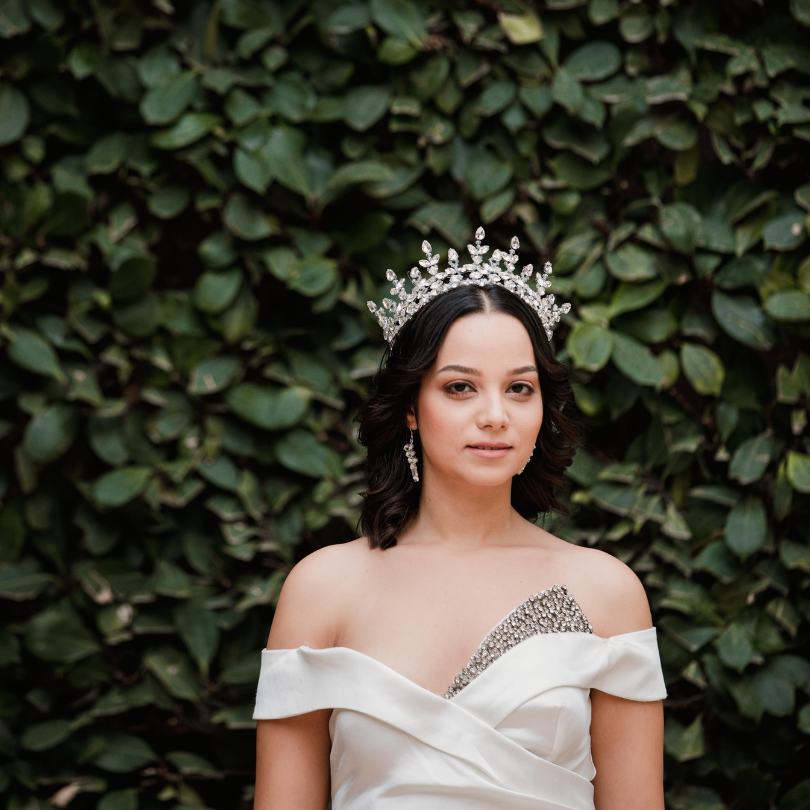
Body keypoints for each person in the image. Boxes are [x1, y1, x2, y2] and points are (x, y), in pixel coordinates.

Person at [252, 227, 667, 809]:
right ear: (410, 408)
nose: (495, 416)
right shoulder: (324, 589)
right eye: (460, 387)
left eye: (519, 388)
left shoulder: (606, 592)